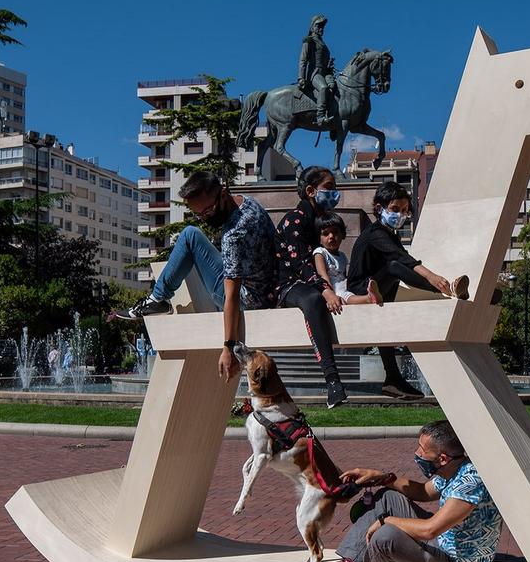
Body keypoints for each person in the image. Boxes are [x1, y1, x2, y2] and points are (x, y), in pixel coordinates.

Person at [114, 171, 278, 382]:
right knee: (193, 234)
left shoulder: (233, 234)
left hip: (249, 300)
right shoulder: (249, 204)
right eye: (200, 214)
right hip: (266, 289)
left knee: (190, 235)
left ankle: (157, 298)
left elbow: (232, 296)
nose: (206, 217)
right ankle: (158, 298)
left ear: (223, 193)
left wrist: (229, 346)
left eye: (208, 210)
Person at [303, 420, 503, 562]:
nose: (417, 454)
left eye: (422, 450)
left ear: (442, 458)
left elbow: (430, 530)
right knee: (388, 497)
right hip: (443, 546)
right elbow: (423, 491)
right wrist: (382, 478)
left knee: (387, 536)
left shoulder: (469, 483)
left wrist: (385, 521)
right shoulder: (453, 468)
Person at [346, 182, 470, 399]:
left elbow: (401, 261)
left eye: (404, 211)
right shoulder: (376, 233)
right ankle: (447, 290)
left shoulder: (390, 234)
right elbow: (402, 260)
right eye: (395, 209)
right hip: (362, 290)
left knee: (386, 327)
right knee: (395, 267)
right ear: (378, 208)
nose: (400, 215)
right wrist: (433, 278)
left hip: (381, 286)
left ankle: (393, 380)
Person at [275, 166, 353, 408]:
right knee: (312, 299)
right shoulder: (294, 220)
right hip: (287, 285)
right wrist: (325, 289)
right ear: (310, 191)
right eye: (329, 188)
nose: (334, 193)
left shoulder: (319, 223)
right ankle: (332, 382)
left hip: (314, 283)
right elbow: (300, 264)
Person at [312, 213, 383, 307]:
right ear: (319, 239)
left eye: (335, 232)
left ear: (343, 235)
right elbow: (322, 275)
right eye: (326, 233)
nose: (331, 236)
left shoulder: (342, 256)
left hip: (344, 287)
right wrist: (331, 294)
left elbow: (344, 275)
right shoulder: (320, 252)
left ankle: (371, 295)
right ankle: (368, 298)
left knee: (350, 294)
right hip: (332, 291)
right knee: (347, 297)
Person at [298, 14, 336, 128]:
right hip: (314, 74)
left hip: (325, 73)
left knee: (336, 88)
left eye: (322, 26)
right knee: (323, 88)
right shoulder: (309, 41)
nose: (321, 29)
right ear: (312, 27)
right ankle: (320, 116)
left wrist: (329, 66)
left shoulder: (323, 44)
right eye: (318, 26)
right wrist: (301, 78)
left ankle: (334, 123)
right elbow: (303, 60)